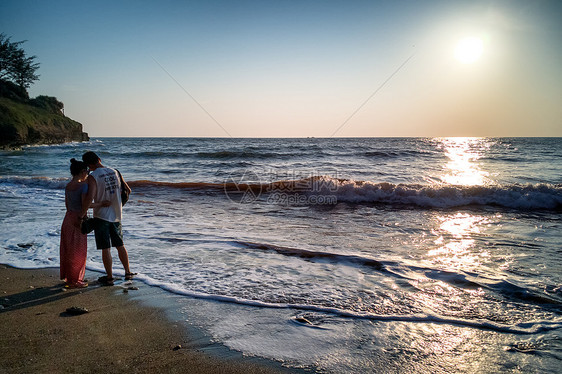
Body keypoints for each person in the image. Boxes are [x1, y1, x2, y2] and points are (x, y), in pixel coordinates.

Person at [82, 151, 134, 286]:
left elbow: (90, 196)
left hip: (101, 216)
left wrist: (82, 212)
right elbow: (128, 190)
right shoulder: (115, 171)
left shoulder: (93, 176)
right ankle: (128, 272)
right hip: (117, 215)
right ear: (99, 159)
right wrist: (119, 205)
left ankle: (110, 277)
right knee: (120, 245)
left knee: (106, 248)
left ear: (89, 165)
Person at [60, 159, 90, 288]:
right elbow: (84, 205)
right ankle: (76, 280)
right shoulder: (83, 186)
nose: (88, 174)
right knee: (79, 250)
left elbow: (67, 205)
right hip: (78, 217)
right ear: (82, 171)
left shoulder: (68, 185)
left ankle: (69, 277)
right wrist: (101, 204)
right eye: (87, 171)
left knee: (69, 249)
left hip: (68, 218)